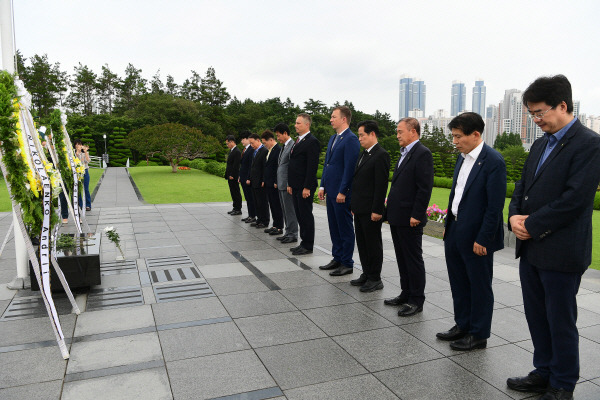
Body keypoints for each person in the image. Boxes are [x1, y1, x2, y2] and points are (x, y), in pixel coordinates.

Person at [506, 75, 600, 400]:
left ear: (563, 105)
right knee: (536, 315)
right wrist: (514, 216)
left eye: (540, 112)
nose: (536, 119)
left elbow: (575, 200)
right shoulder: (539, 143)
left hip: (561, 251)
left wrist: (531, 224)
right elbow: (522, 186)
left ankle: (562, 384)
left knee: (560, 321)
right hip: (531, 249)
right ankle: (543, 371)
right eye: (532, 113)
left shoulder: (589, 143)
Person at [436, 112, 506, 351]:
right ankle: (462, 324)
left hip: (477, 237)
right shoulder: (462, 158)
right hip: (456, 229)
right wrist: (448, 227)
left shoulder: (493, 161)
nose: (454, 141)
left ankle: (478, 334)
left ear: (476, 134)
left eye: (458, 136)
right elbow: (456, 194)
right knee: (459, 281)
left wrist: (483, 238)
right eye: (453, 136)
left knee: (479, 286)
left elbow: (495, 206)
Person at [384, 117, 433, 317]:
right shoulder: (404, 153)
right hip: (398, 216)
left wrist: (417, 214)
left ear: (413, 131)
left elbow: (424, 188)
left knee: (413, 259)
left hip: (410, 218)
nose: (397, 135)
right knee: (402, 258)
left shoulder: (422, 153)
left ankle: (416, 300)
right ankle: (405, 293)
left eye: (400, 132)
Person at [318, 106, 360, 276]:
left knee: (344, 228)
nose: (330, 119)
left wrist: (343, 191)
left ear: (344, 119)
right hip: (331, 190)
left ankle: (347, 262)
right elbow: (328, 164)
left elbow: (349, 168)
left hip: (342, 193)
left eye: (333, 116)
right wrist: (322, 185)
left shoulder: (351, 139)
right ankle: (337, 257)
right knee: (334, 227)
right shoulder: (333, 138)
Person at [349, 120, 390, 292]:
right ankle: (366, 273)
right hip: (359, 208)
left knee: (373, 244)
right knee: (362, 243)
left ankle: (375, 278)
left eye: (362, 135)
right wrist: (353, 205)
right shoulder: (364, 154)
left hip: (371, 210)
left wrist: (377, 210)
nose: (359, 138)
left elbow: (381, 186)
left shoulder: (381, 155)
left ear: (372, 134)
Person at [287, 113, 320, 256]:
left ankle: (308, 245)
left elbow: (311, 166)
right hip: (295, 185)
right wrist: (290, 183)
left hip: (304, 186)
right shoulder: (298, 140)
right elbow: (293, 164)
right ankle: (303, 242)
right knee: (299, 214)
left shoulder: (312, 141)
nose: (295, 125)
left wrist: (307, 187)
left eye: (298, 123)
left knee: (305, 215)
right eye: (295, 122)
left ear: (307, 125)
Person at [274, 123, 298, 244]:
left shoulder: (292, 146)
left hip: (287, 184)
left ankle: (293, 234)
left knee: (290, 210)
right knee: (284, 210)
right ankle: (288, 232)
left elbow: (291, 167)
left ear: (285, 133)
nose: (277, 138)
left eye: (278, 135)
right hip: (281, 183)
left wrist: (289, 183)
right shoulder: (284, 146)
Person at [261, 130, 283, 235]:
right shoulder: (270, 150)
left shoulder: (278, 149)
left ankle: (279, 227)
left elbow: (278, 167)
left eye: (265, 143)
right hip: (268, 182)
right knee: (272, 205)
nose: (264, 145)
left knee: (276, 205)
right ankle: (275, 225)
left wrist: (275, 181)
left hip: (274, 182)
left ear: (271, 139)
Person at [247, 133, 269, 229]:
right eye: (250, 144)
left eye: (252, 143)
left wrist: (264, 179)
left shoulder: (264, 151)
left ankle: (264, 221)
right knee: (256, 202)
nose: (251, 145)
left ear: (258, 140)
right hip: (254, 181)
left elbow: (264, 167)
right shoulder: (255, 151)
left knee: (262, 202)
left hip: (260, 182)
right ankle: (259, 219)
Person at [238, 131, 256, 223]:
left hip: (248, 179)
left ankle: (253, 215)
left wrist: (249, 177)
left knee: (250, 197)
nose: (242, 141)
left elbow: (250, 166)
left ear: (248, 139)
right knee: (247, 197)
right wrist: (240, 176)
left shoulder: (251, 150)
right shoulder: (245, 150)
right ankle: (250, 215)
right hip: (243, 177)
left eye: (243, 139)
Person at [224, 135, 242, 216]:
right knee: (232, 192)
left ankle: (238, 208)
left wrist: (232, 175)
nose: (227, 145)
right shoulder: (232, 151)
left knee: (236, 192)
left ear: (232, 142)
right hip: (230, 175)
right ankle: (235, 207)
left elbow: (236, 165)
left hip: (233, 176)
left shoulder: (237, 151)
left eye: (228, 143)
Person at [74, 139, 91, 211]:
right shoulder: (73, 154)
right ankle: (80, 205)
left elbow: (88, 161)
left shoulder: (84, 153)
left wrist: (86, 151)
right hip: (77, 172)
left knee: (86, 189)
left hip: (85, 171)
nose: (78, 146)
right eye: (77, 144)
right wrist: (77, 152)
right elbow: (75, 161)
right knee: (78, 189)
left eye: (80, 144)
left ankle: (88, 205)